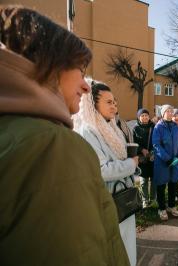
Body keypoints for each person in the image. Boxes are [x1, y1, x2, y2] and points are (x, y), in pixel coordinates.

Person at [0, 6, 129, 265]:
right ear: (50, 66)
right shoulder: (53, 145)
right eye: (81, 71)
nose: (85, 84)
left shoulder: (13, 129)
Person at [74, 80, 139, 265]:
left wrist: (133, 165)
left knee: (125, 248)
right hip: (107, 201)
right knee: (113, 251)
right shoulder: (88, 131)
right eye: (109, 102)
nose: (114, 106)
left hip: (123, 197)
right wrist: (130, 165)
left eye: (115, 102)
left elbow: (121, 161)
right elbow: (101, 170)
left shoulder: (112, 127)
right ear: (93, 104)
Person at [152, 104, 178, 221]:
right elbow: (156, 145)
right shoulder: (158, 127)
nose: (171, 113)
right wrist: (167, 158)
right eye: (168, 111)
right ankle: (161, 208)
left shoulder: (176, 126)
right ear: (163, 113)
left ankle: (171, 206)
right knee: (161, 185)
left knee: (173, 184)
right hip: (162, 162)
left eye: (172, 111)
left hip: (175, 161)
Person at [133, 108, 156, 208]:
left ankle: (153, 199)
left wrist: (152, 151)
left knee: (154, 180)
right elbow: (133, 142)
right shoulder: (135, 128)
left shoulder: (154, 126)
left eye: (146, 115)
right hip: (142, 158)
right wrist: (141, 149)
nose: (144, 117)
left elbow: (157, 140)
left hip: (153, 157)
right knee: (143, 181)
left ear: (149, 116)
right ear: (139, 118)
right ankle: (145, 200)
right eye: (142, 116)